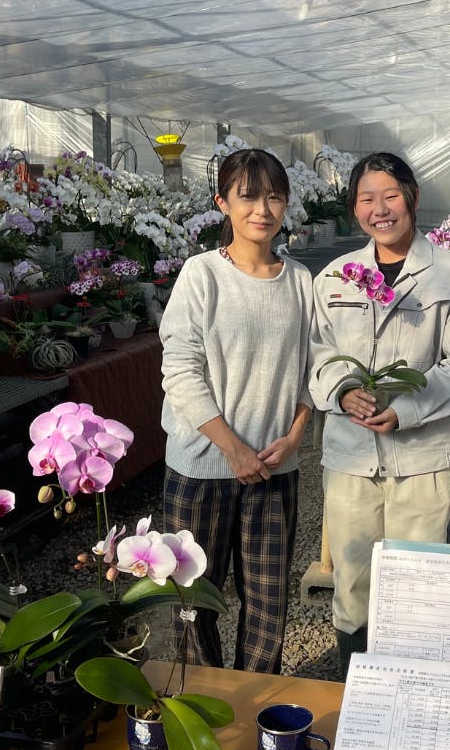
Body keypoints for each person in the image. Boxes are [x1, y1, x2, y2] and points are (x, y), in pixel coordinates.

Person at [309, 152, 450, 675]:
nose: (379, 210)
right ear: (353, 208)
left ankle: (410, 695)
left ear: (412, 197)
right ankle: (356, 690)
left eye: (390, 196)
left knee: (417, 585)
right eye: (367, 199)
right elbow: (316, 355)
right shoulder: (336, 277)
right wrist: (342, 392)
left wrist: (406, 408)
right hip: (351, 456)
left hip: (423, 457)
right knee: (353, 581)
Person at [160, 148, 314, 674]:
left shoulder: (300, 281)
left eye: (274, 197)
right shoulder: (202, 275)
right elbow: (180, 370)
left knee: (269, 602)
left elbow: (312, 370)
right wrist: (233, 449)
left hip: (273, 467)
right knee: (192, 601)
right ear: (222, 202)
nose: (262, 210)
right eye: (247, 196)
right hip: (203, 467)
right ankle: (200, 699)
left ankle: (256, 702)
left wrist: (294, 438)